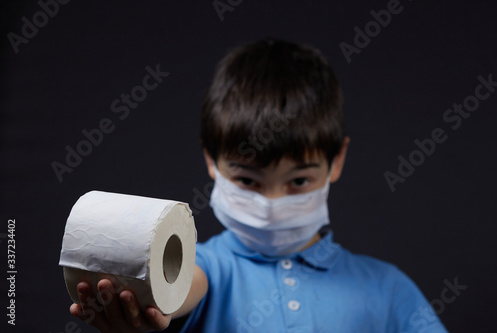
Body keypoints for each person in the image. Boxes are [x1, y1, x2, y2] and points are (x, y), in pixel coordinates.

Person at [69, 39, 448, 332]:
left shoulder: (388, 289)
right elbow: (181, 289)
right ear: (211, 161)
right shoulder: (204, 269)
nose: (271, 202)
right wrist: (144, 300)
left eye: (298, 180)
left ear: (337, 161)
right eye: (248, 180)